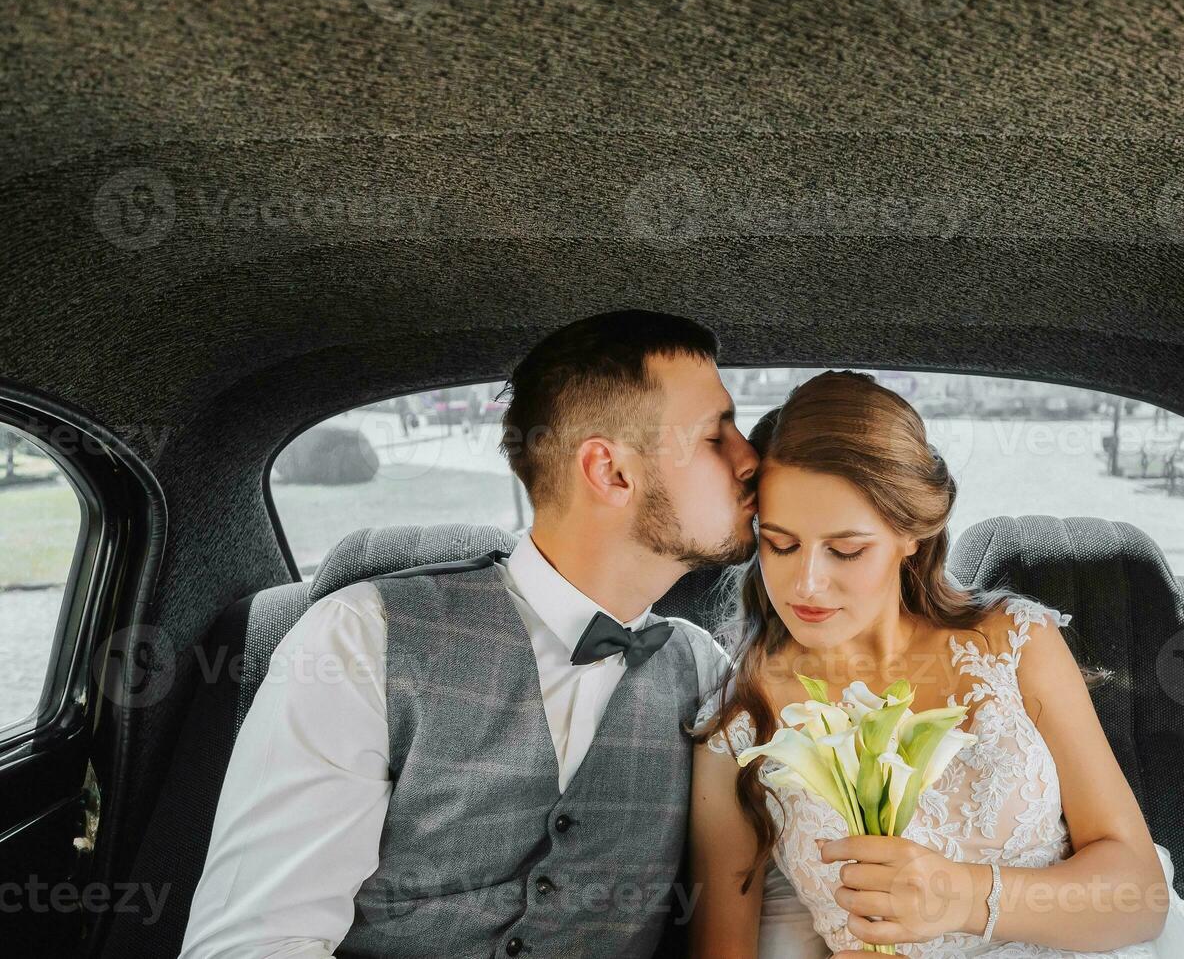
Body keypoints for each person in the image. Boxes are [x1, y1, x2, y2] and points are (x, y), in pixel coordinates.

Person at [179, 309, 759, 958]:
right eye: (717, 437)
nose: (750, 460)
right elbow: (252, 945)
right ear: (611, 471)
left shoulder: (705, 673)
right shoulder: (362, 639)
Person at [689, 370, 1184, 959]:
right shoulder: (739, 721)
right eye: (780, 544)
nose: (807, 583)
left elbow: (1140, 895)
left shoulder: (1015, 644)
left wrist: (962, 897)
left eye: (846, 549)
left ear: (911, 534)